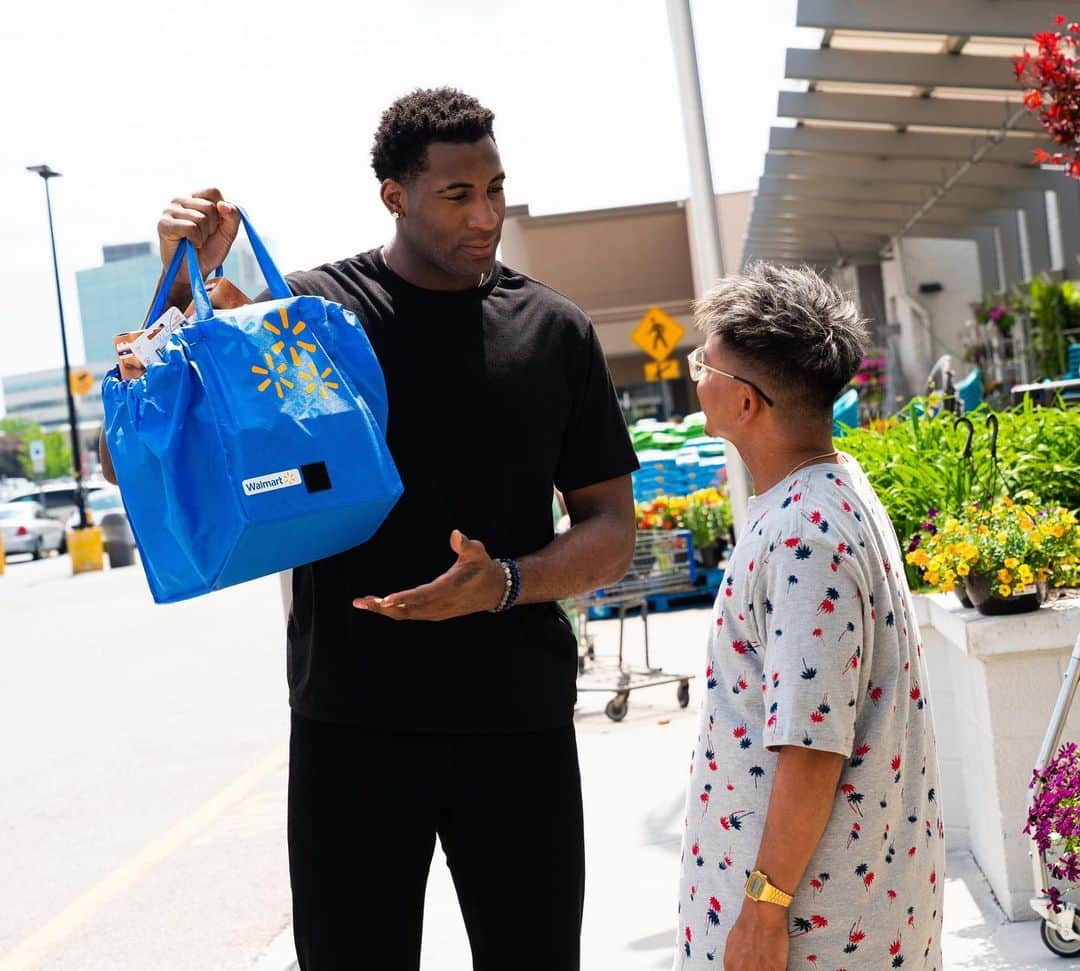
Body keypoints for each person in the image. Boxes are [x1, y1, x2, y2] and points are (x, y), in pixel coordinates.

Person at [102, 87, 638, 971]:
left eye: (496, 189)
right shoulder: (310, 320)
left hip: (516, 727)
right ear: (394, 193)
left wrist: (503, 581)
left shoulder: (554, 331)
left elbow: (610, 529)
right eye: (458, 194)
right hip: (352, 729)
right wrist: (172, 283)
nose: (487, 216)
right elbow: (140, 455)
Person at [674, 263, 944, 970]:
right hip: (851, 909)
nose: (695, 374)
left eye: (705, 363)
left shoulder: (804, 533)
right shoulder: (836, 485)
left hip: (815, 932)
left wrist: (763, 911)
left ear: (746, 402)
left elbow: (811, 745)